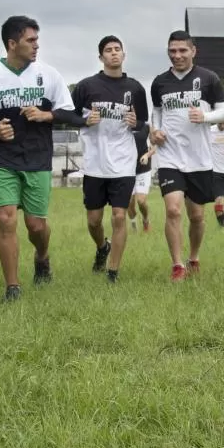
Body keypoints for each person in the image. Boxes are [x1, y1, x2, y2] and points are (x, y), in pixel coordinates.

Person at [0, 15, 83, 302]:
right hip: (3, 158)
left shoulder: (49, 75)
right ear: (12, 43)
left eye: (37, 40)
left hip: (38, 159)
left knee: (35, 226)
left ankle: (42, 256)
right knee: (6, 220)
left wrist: (47, 115)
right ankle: (13, 287)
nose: (36, 46)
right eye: (31, 40)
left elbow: (69, 113)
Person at [149, 30, 224, 281]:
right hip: (170, 156)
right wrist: (155, 131)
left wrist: (204, 117)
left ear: (193, 51)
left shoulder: (209, 79)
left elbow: (223, 113)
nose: (177, 55)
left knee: (197, 216)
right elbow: (157, 112)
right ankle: (177, 264)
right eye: (172, 51)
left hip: (199, 159)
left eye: (183, 50)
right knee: (173, 210)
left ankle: (193, 256)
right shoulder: (160, 82)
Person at [69, 35, 148, 284]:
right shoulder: (86, 86)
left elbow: (143, 124)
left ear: (123, 55)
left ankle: (113, 272)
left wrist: (137, 125)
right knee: (94, 221)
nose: (113, 53)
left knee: (118, 215)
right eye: (108, 50)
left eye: (117, 49)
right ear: (101, 57)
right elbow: (67, 116)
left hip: (124, 161)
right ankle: (102, 246)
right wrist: (83, 120)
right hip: (95, 162)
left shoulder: (135, 88)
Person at [130, 127, 155, 232]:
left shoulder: (146, 126)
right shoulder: (123, 125)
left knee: (141, 201)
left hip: (143, 168)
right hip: (127, 169)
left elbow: (155, 146)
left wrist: (147, 155)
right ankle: (134, 227)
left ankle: (145, 220)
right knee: (128, 203)